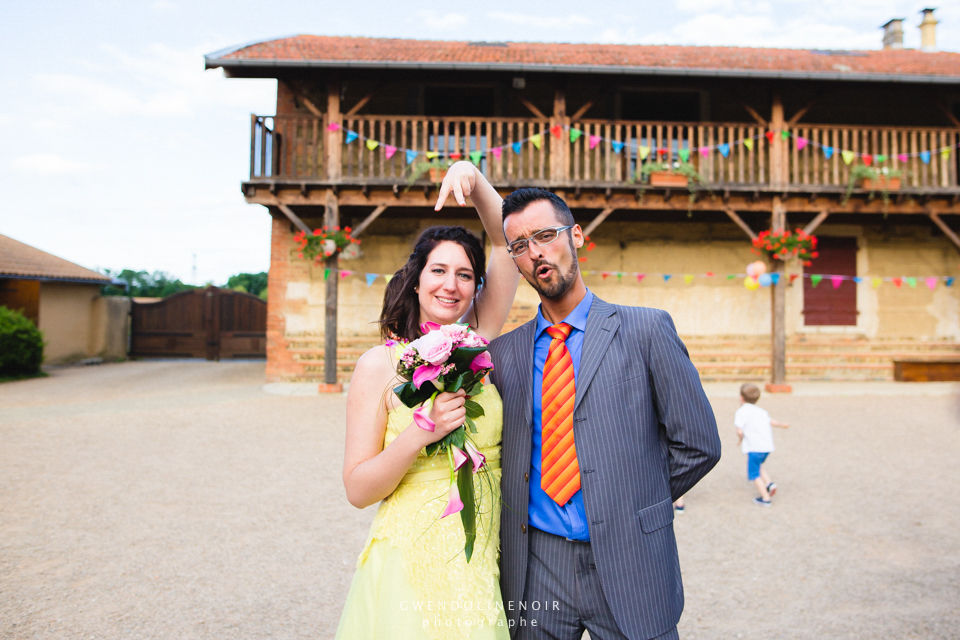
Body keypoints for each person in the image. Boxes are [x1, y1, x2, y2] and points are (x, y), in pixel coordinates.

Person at [487, 188, 722, 640]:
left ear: (576, 235)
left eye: (544, 235)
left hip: (630, 555)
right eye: (519, 245)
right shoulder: (504, 355)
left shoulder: (646, 330)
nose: (535, 252)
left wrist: (627, 502)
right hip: (537, 565)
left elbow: (698, 444)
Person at [336, 162, 519, 640]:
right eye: (438, 270)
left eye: (465, 275)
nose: (450, 285)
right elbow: (358, 490)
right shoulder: (379, 365)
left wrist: (473, 178)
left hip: (479, 554)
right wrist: (422, 430)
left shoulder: (477, 338)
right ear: (416, 279)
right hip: (411, 555)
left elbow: (504, 242)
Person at [734, 383, 789, 508]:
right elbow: (772, 422)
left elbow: (739, 430)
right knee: (759, 466)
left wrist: (740, 438)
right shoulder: (761, 411)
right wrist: (782, 424)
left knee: (754, 474)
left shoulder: (741, 412)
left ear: (741, 397)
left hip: (754, 448)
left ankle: (765, 498)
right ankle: (769, 484)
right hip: (766, 447)